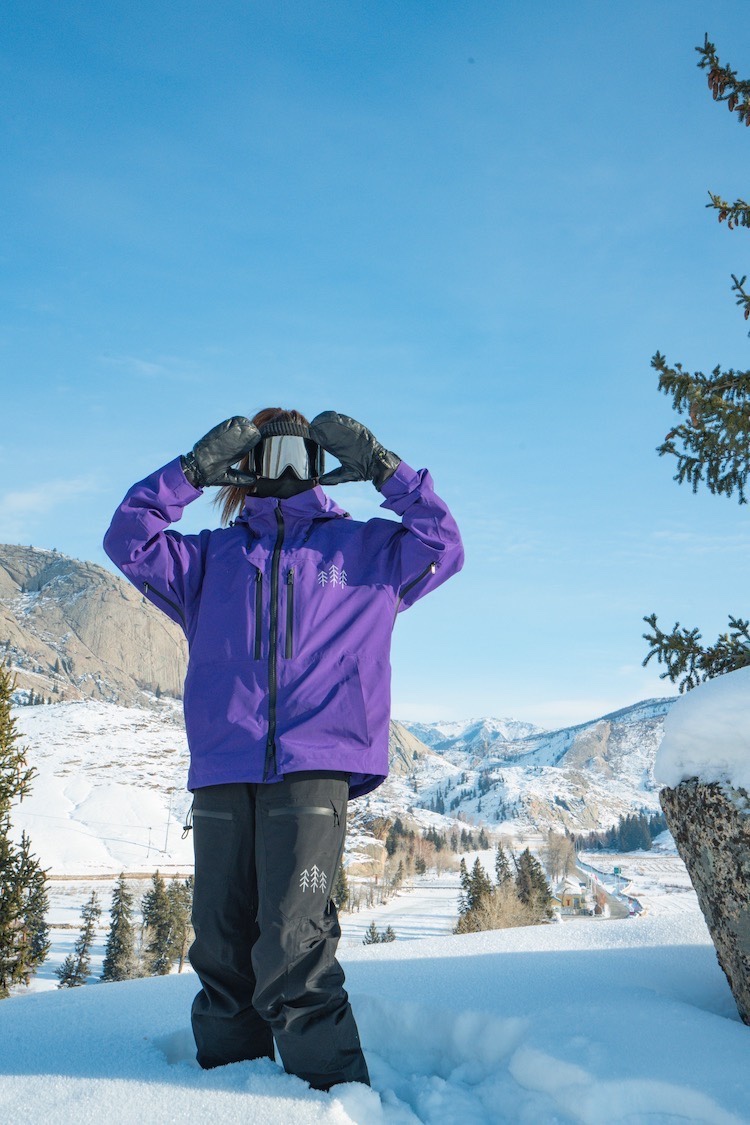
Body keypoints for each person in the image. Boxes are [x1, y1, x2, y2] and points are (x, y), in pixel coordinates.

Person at [103, 408, 464, 1090]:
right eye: (264, 452)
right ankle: (230, 1096)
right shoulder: (209, 558)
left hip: (313, 768)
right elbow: (128, 535)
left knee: (293, 944)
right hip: (222, 768)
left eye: (295, 451)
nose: (283, 464)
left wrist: (386, 469)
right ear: (240, 466)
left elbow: (443, 542)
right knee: (219, 947)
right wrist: (189, 470)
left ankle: (336, 1096)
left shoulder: (363, 550)